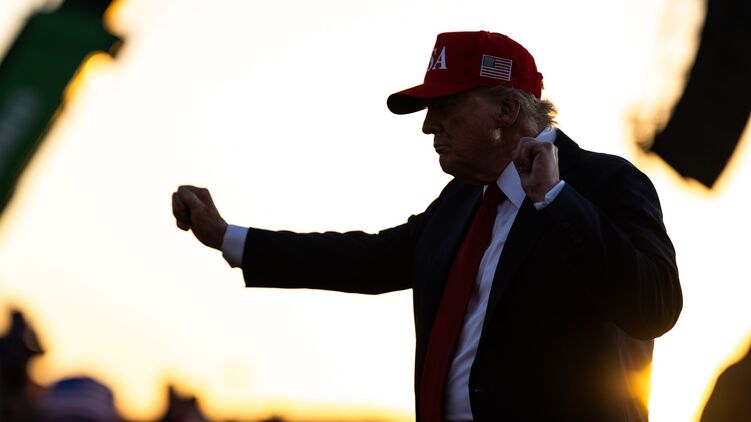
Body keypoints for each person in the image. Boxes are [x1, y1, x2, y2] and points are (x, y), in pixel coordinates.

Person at [172, 31, 682, 421]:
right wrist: (225, 236)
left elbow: (655, 306)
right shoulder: (462, 201)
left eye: (445, 106)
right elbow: (367, 259)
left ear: (506, 111)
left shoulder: (604, 183)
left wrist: (556, 198)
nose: (427, 124)